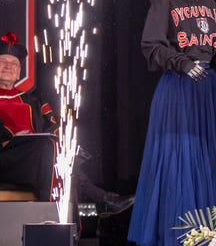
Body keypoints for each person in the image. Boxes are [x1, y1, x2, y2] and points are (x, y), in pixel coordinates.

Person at [128, 0, 216, 246]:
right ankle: (180, 233)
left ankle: (215, 233)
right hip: (179, 87)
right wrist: (182, 63)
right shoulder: (164, 2)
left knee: (211, 154)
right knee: (182, 155)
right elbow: (151, 44)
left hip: (207, 88)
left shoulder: (210, 4)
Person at [0, 32, 134, 216]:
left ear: (19, 72)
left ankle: (91, 205)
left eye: (14, 64)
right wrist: (13, 140)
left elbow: (52, 129)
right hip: (6, 157)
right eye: (3, 62)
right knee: (50, 151)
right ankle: (99, 200)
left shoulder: (33, 100)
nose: (9, 67)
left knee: (60, 150)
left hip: (37, 157)